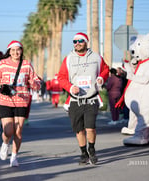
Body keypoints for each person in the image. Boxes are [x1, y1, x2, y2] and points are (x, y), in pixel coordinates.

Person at [58, 32, 109, 165]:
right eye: (75, 41)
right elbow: (61, 77)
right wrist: (70, 87)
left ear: (86, 42)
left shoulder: (96, 57)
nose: (78, 43)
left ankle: (91, 149)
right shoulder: (68, 59)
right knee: (79, 129)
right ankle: (83, 153)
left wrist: (101, 78)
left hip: (91, 99)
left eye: (80, 41)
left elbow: (105, 69)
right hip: (75, 100)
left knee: (90, 128)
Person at [0, 40, 41, 167]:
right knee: (8, 131)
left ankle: (14, 157)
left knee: (18, 132)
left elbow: (35, 80)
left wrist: (35, 84)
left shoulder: (26, 65)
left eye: (18, 49)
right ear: (9, 51)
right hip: (5, 100)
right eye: (12, 50)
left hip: (21, 101)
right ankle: (5, 143)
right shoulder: (2, 64)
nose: (15, 52)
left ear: (21, 51)